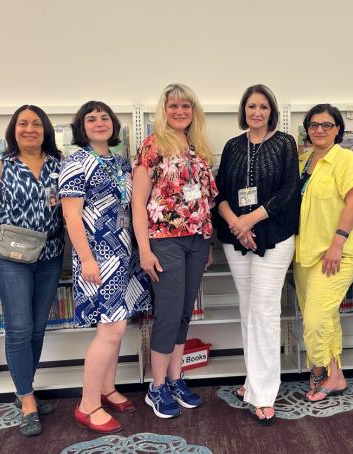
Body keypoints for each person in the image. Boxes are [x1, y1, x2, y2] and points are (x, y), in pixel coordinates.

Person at [59, 101, 151, 433]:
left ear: (113, 125)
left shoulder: (121, 162)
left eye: (104, 118)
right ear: (81, 127)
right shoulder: (75, 162)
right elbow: (71, 216)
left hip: (125, 254)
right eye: (91, 118)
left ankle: (107, 388)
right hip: (98, 256)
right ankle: (88, 405)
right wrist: (86, 259)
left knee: (117, 325)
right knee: (109, 329)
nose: (99, 123)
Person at [0, 105, 64, 437]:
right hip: (9, 258)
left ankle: (23, 388)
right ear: (13, 129)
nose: (30, 129)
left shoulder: (59, 166)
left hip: (50, 256)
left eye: (37, 124)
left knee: (38, 328)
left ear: (46, 130)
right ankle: (27, 401)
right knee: (19, 328)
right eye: (23, 123)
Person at [215, 84, 300, 425]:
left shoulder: (284, 143)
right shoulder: (233, 146)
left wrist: (251, 218)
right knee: (248, 309)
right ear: (244, 111)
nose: (257, 112)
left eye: (263, 106)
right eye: (251, 106)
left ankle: (264, 394)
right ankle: (254, 380)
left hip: (275, 237)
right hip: (236, 237)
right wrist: (237, 224)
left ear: (271, 111)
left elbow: (289, 190)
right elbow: (218, 192)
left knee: (264, 311)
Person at [132, 83, 217, 419]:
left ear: (194, 111)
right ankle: (156, 388)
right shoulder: (152, 146)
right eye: (174, 107)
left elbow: (205, 199)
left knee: (183, 313)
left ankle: (175, 378)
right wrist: (144, 249)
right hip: (165, 241)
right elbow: (138, 203)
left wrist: (207, 242)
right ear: (163, 111)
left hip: (198, 241)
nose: (180, 112)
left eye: (186, 106)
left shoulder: (200, 147)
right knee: (167, 313)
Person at [294, 104, 353, 402]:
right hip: (305, 254)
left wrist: (337, 243)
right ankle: (336, 375)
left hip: (337, 252)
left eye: (326, 125)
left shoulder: (345, 159)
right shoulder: (303, 161)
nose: (319, 130)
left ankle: (318, 369)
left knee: (315, 318)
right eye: (313, 125)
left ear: (338, 129)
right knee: (326, 319)